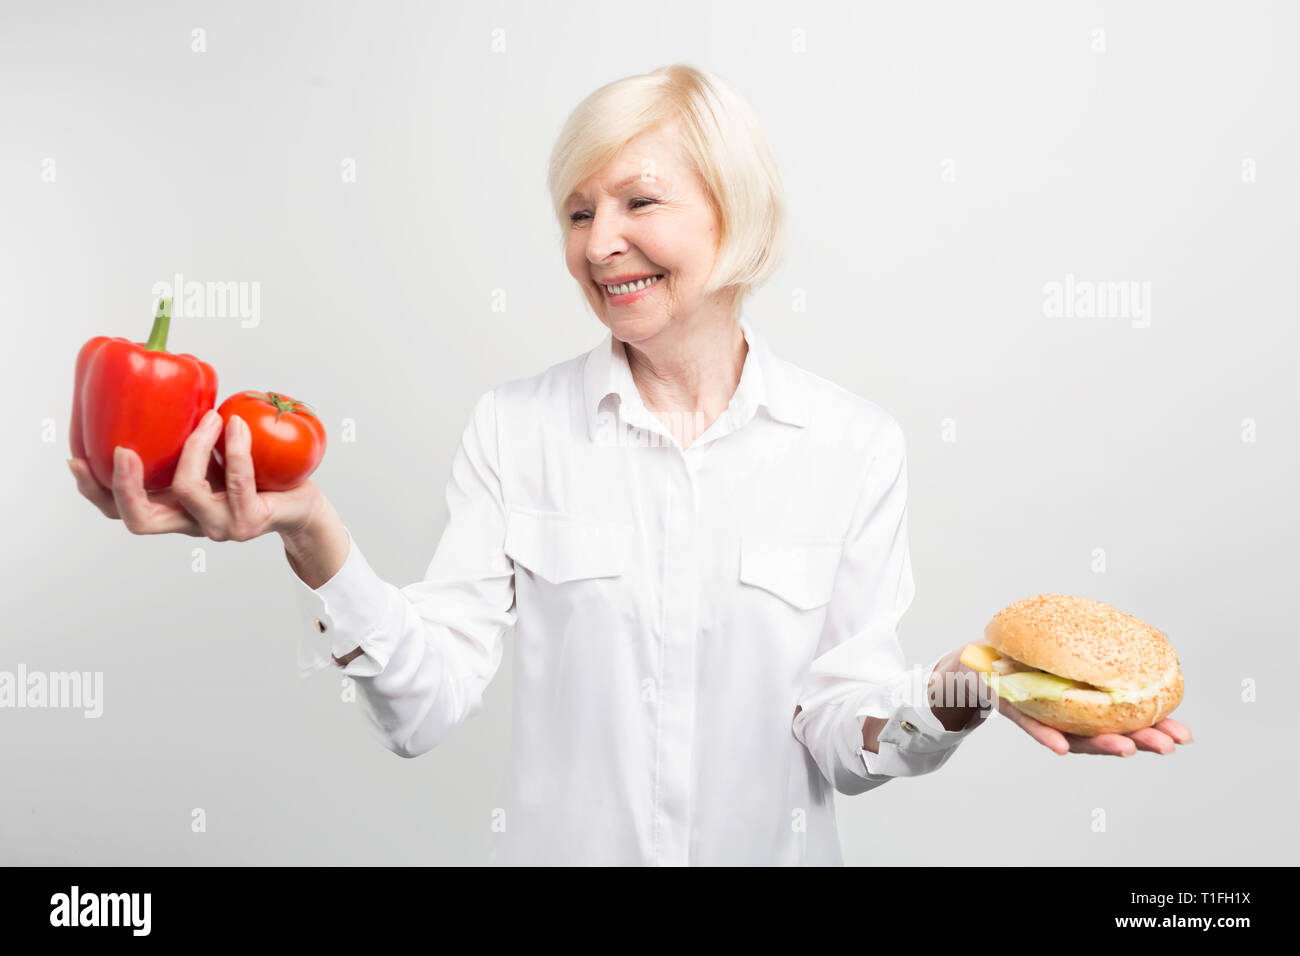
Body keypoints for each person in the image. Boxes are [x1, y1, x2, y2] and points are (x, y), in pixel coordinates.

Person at [70, 63, 1192, 866]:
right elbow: (422, 706)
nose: (597, 241)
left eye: (638, 200)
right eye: (576, 210)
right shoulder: (517, 428)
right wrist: (311, 533)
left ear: (735, 213)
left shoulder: (853, 444)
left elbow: (839, 732)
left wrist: (962, 689)